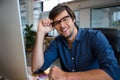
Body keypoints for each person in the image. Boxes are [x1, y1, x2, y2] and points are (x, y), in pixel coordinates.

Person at [31, 4, 120, 80]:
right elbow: (36, 68)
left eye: (65, 19)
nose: (62, 25)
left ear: (73, 19)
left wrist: (66, 76)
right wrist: (40, 33)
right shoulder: (57, 42)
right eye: (57, 22)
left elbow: (113, 73)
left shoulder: (95, 37)